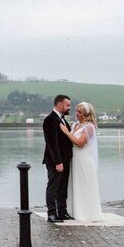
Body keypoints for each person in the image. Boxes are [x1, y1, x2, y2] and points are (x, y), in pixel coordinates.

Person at [60, 101, 103, 222]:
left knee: (85, 185)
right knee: (76, 185)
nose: (77, 114)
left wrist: (67, 132)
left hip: (85, 160)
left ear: (86, 113)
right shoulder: (75, 125)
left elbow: (80, 142)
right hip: (75, 160)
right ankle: (75, 211)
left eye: (80, 112)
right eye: (76, 111)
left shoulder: (89, 127)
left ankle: (88, 213)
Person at [42, 94, 73, 223]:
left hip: (64, 161)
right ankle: (51, 213)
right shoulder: (50, 119)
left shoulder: (62, 119)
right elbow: (52, 143)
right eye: (67, 105)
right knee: (53, 187)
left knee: (63, 187)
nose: (69, 108)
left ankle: (62, 211)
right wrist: (58, 162)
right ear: (59, 104)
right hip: (55, 162)